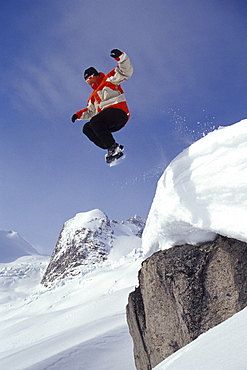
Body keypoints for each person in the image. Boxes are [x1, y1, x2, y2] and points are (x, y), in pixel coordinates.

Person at [71, 49, 133, 164]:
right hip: (107, 121)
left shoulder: (109, 80)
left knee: (95, 121)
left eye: (89, 79)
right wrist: (78, 115)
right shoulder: (92, 98)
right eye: (86, 81)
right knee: (87, 128)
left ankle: (113, 147)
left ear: (95, 75)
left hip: (118, 112)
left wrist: (121, 58)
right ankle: (112, 148)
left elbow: (125, 72)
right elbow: (90, 112)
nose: (89, 82)